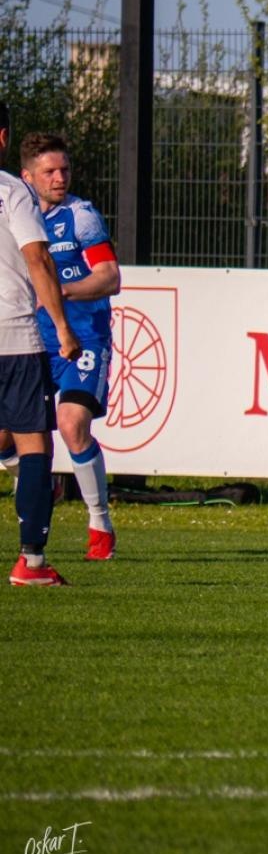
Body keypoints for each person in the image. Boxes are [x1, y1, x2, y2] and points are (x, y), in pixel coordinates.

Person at [0, 133, 121, 560]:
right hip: (28, 342)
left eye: (64, 169)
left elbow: (110, 276)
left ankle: (98, 521)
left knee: (71, 424)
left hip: (82, 337)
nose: (59, 178)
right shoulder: (14, 210)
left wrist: (61, 290)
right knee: (5, 441)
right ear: (27, 176)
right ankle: (37, 480)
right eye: (50, 171)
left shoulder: (81, 216)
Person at [0, 108, 82, 586]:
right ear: (5, 137)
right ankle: (31, 563)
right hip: (12, 332)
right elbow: (37, 258)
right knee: (34, 445)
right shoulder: (13, 192)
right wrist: (62, 327)